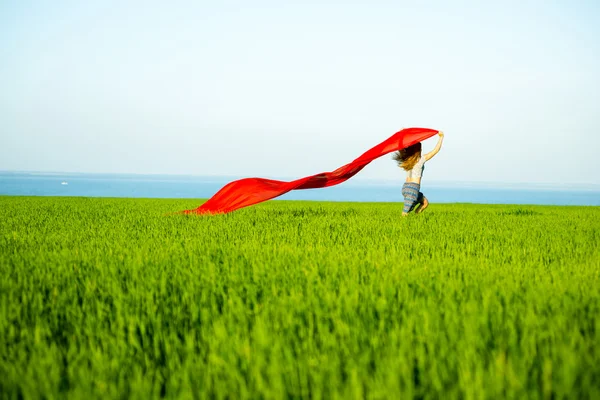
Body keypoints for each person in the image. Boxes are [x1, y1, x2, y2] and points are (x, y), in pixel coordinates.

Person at [393, 132, 444, 216]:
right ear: (419, 150)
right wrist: (441, 137)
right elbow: (436, 150)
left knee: (425, 203)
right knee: (404, 214)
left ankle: (416, 218)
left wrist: (402, 135)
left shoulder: (408, 159)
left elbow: (400, 147)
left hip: (405, 187)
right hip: (413, 189)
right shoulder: (421, 160)